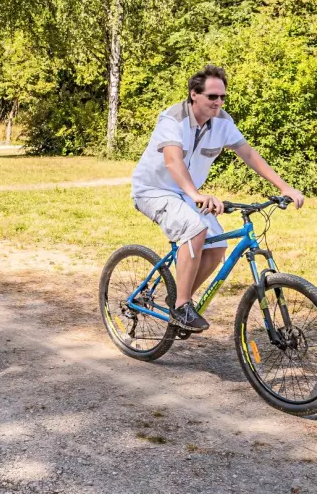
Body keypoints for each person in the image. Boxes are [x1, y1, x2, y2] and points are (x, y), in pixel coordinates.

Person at [131, 65, 305, 332]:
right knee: (196, 228)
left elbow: (249, 154)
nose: (219, 102)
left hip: (187, 194)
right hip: (153, 191)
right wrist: (196, 195)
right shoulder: (172, 118)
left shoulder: (223, 122)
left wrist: (285, 187)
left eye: (223, 97)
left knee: (217, 247)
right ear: (194, 95)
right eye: (213, 97)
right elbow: (173, 161)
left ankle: (178, 297)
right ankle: (181, 306)